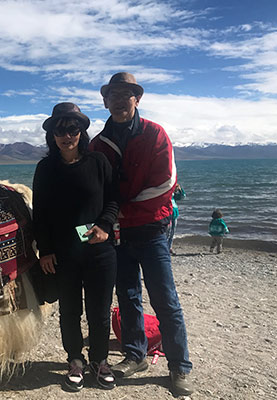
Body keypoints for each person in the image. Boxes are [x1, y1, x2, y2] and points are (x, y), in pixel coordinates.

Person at [89, 72, 194, 396]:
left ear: (137, 99)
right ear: (106, 102)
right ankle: (136, 355)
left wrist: (117, 213)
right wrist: (90, 227)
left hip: (150, 231)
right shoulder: (97, 144)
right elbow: (95, 192)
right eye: (113, 95)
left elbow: (164, 186)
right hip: (118, 235)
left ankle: (179, 366)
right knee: (128, 295)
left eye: (126, 94)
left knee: (165, 297)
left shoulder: (155, 134)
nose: (119, 101)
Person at [33, 103, 119, 391]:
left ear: (81, 132)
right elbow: (40, 212)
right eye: (60, 130)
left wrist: (106, 226)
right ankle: (75, 361)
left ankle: (100, 361)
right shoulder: (46, 168)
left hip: (99, 251)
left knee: (99, 310)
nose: (66, 135)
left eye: (72, 129)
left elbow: (113, 199)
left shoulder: (98, 162)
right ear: (52, 135)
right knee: (70, 310)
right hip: (64, 253)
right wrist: (44, 250)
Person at [168, 183, 186, 255]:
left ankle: (169, 247)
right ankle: (165, 248)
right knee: (167, 232)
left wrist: (180, 190)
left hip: (174, 215)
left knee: (172, 232)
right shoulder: (168, 196)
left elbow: (183, 196)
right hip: (168, 214)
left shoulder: (174, 197)